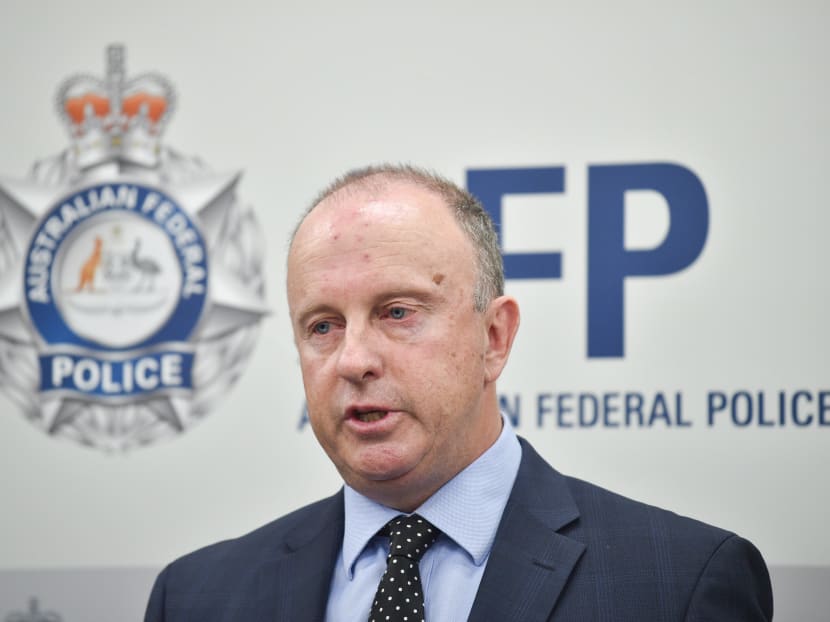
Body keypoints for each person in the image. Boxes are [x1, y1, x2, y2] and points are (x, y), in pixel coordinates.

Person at [145, 165, 773, 621]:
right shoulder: (197, 597)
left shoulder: (681, 583)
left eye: (397, 312)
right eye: (322, 326)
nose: (353, 360)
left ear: (494, 338)